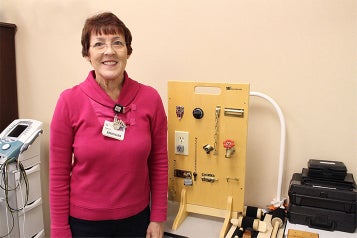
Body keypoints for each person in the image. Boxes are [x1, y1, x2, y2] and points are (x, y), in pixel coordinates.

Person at [50, 12, 168, 238]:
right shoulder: (69, 101)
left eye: (117, 43)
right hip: (84, 225)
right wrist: (59, 230)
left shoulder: (150, 99)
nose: (109, 51)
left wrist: (157, 217)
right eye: (99, 44)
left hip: (137, 221)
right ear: (87, 54)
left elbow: (159, 161)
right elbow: (58, 174)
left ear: (128, 51)